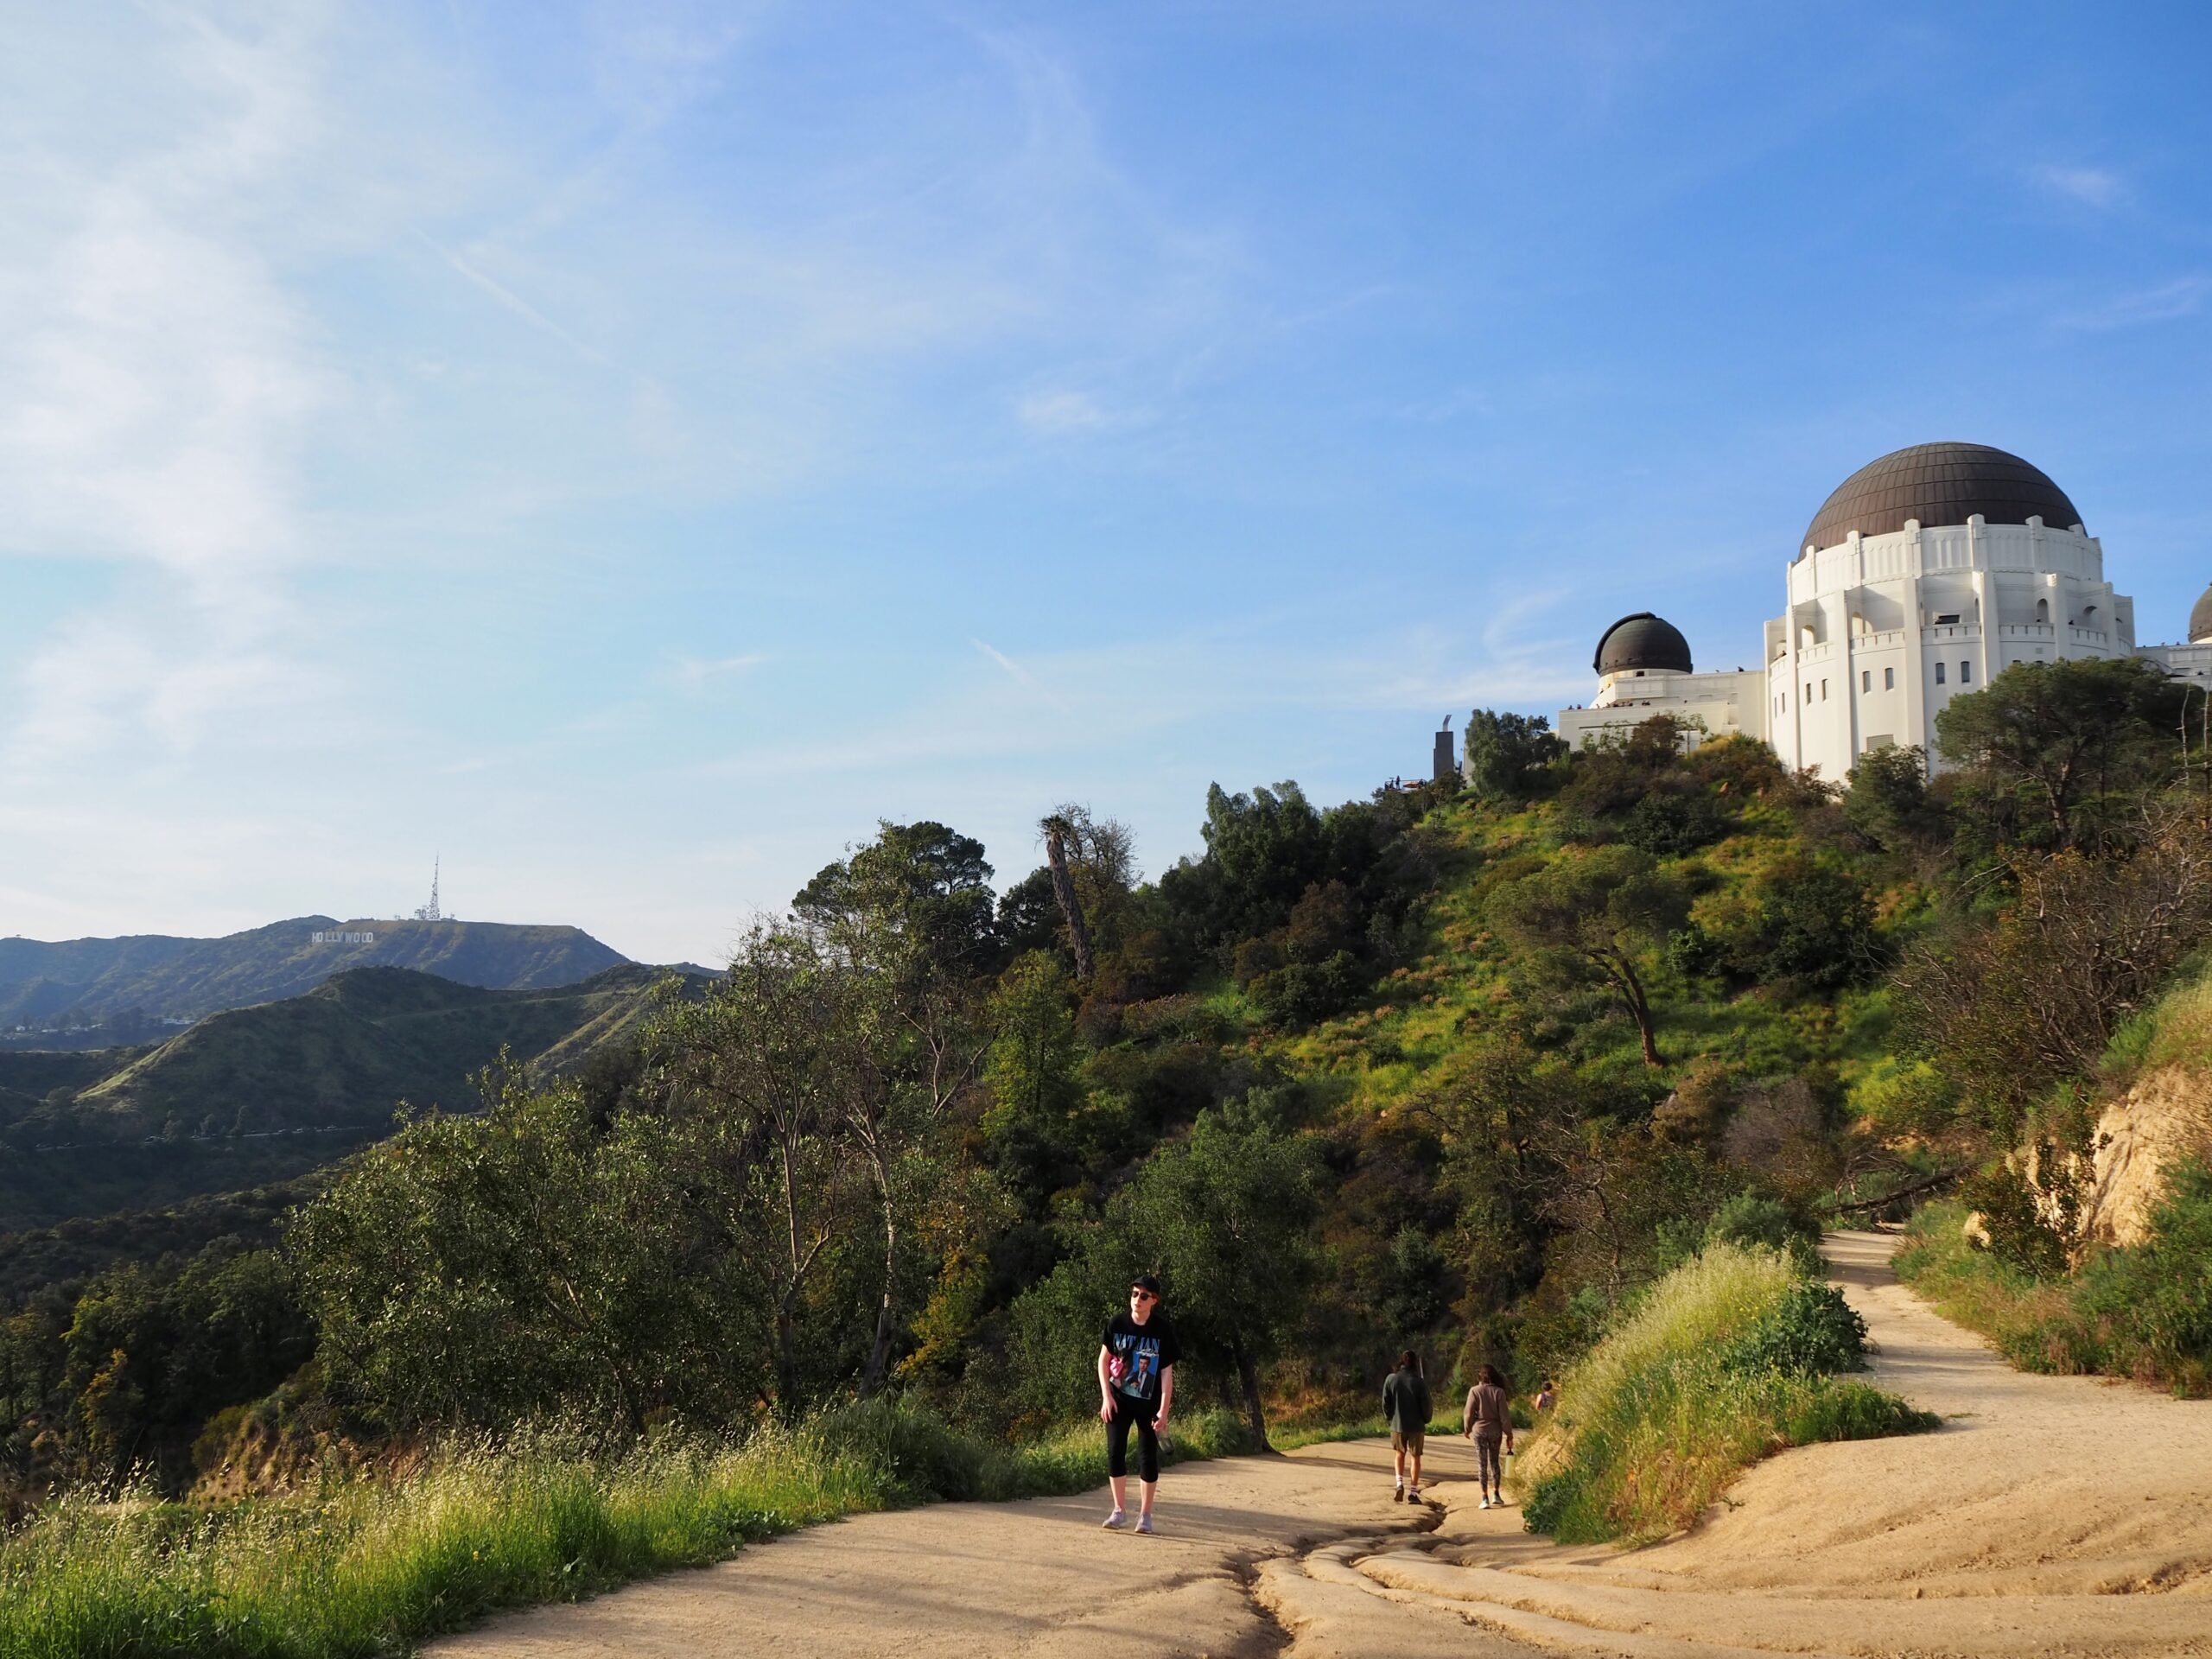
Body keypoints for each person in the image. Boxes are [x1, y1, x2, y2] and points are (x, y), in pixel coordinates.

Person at [1098, 1273, 1180, 1534]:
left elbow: (1167, 1373)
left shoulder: (1162, 1330)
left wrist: (1163, 1411)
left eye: (1144, 1296)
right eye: (1134, 1294)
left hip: (1149, 1404)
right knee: (1115, 1453)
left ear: (1153, 1300)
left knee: (1147, 1458)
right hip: (1119, 1400)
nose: (1137, 1299)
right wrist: (1106, 1397)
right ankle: (1119, 1510)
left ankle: (1145, 1516)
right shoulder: (1117, 1324)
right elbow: (1103, 1361)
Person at [1462, 1363, 1515, 1510]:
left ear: (1481, 1376)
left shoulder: (1474, 1391)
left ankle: (1484, 1497)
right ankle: (1496, 1494)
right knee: (1494, 1462)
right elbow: (1504, 1416)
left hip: (1479, 1431)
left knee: (1482, 1464)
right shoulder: (1499, 1392)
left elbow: (1468, 1413)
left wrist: (1467, 1429)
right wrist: (1509, 1434)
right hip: (1495, 1431)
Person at [1382, 1350, 1432, 1503]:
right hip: (1416, 1425)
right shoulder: (1419, 1382)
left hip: (1398, 1424)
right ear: (1415, 1363)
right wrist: (1426, 1419)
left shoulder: (1391, 1379)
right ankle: (1413, 1493)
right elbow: (1427, 1405)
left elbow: (1386, 1401)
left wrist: (1390, 1417)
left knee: (1399, 1454)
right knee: (1415, 1458)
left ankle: (1399, 1484)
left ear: (1401, 1362)